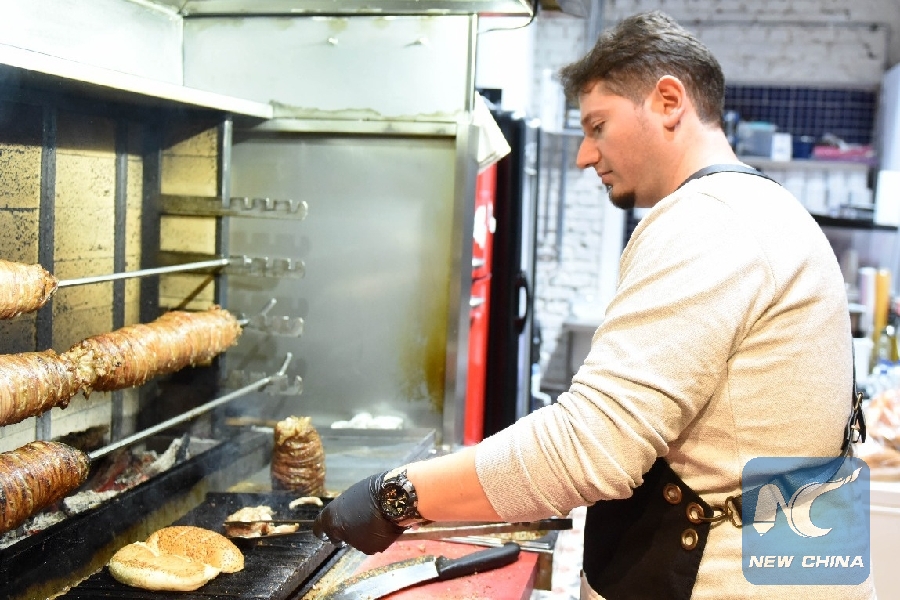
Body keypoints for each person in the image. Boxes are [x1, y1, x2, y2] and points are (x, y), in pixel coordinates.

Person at [314, 10, 875, 599]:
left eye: (597, 126)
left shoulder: (710, 219)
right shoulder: (767, 207)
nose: (585, 155)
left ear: (668, 102)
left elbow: (591, 446)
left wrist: (395, 495)